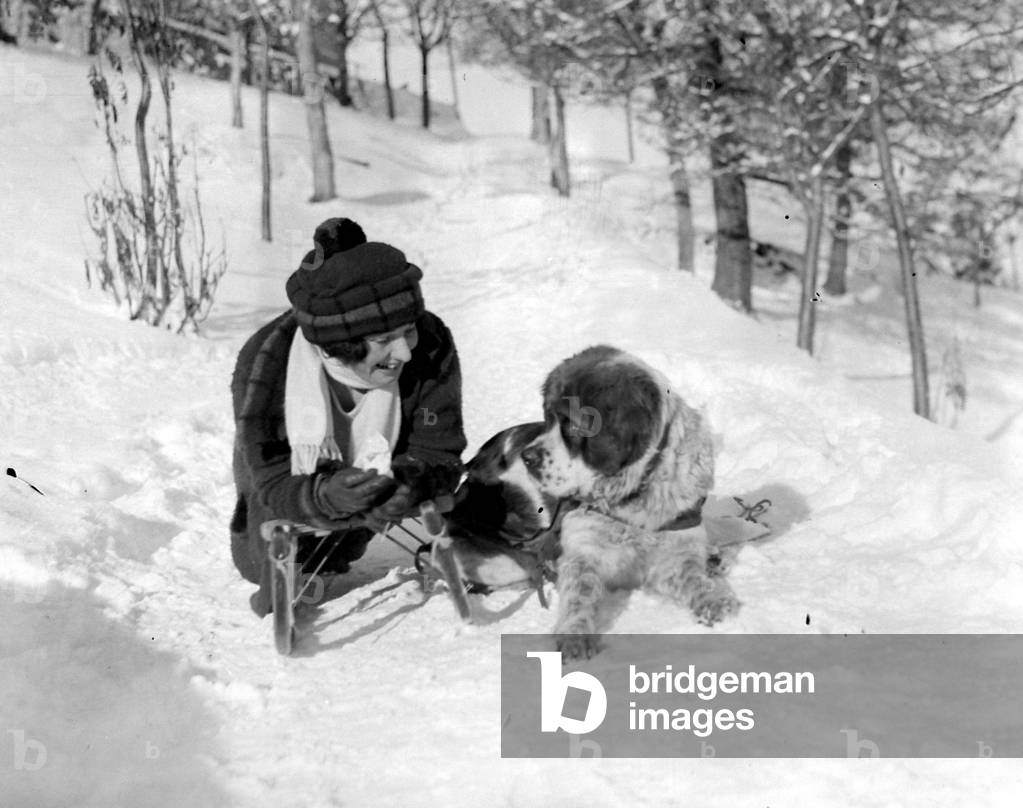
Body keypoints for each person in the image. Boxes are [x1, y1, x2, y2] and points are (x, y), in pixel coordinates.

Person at [230, 217, 466, 615]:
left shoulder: (431, 344)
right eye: (383, 340)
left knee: (340, 548)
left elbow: (440, 449)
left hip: (385, 472)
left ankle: (341, 540)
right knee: (256, 566)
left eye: (407, 331)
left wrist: (409, 484)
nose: (405, 352)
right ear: (339, 344)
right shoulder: (266, 362)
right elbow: (270, 477)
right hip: (293, 468)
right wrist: (322, 495)